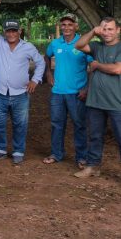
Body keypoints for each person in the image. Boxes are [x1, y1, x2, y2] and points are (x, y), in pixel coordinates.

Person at [0, 0, 45, 165]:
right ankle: (0, 150)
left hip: (21, 94)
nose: (11, 34)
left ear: (19, 31)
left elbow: (41, 63)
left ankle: (18, 151)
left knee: (20, 124)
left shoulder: (28, 47)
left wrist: (36, 80)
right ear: (4, 32)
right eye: (8, 31)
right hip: (1, 92)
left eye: (14, 31)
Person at [74, 17, 121, 178]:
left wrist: (97, 65)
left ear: (118, 30)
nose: (107, 32)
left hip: (117, 103)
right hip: (95, 101)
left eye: (110, 29)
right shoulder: (96, 46)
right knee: (95, 136)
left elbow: (117, 69)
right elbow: (78, 45)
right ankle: (93, 167)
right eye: (104, 29)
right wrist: (93, 32)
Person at [43, 14, 92, 167]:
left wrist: (87, 88)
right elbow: (46, 56)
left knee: (79, 125)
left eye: (70, 24)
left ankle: (81, 157)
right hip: (57, 92)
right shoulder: (55, 43)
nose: (66, 27)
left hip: (77, 93)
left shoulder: (83, 43)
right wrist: (48, 73)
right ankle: (56, 153)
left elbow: (93, 67)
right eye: (63, 24)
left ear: (76, 26)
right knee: (57, 124)